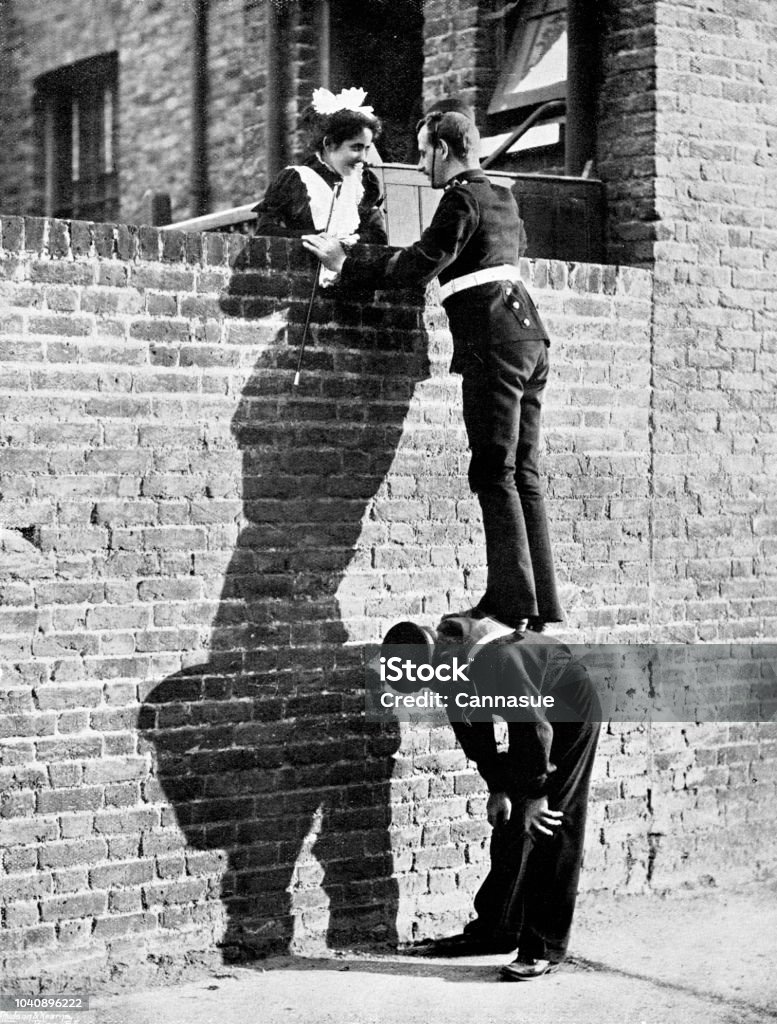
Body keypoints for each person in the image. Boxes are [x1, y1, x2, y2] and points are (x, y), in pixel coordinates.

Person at [303, 108, 561, 631]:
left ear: (443, 150)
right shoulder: (503, 197)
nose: (421, 166)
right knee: (523, 472)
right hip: (531, 338)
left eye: (423, 153)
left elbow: (423, 262)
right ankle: (539, 605)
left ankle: (510, 602)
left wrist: (345, 263)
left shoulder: (461, 197)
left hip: (494, 341)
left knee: (493, 470)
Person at [380, 614, 600, 980]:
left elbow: (533, 725)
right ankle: (497, 930)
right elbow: (472, 726)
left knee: (551, 824)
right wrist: (498, 786)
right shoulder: (443, 664)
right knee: (510, 825)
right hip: (535, 721)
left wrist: (536, 794)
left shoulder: (496, 657)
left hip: (570, 711)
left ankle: (543, 947)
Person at [253, 86, 387, 247]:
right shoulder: (296, 179)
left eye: (367, 148)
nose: (363, 158)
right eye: (356, 148)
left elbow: (378, 237)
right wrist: (313, 238)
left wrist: (350, 241)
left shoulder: (364, 183)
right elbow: (265, 231)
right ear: (329, 144)